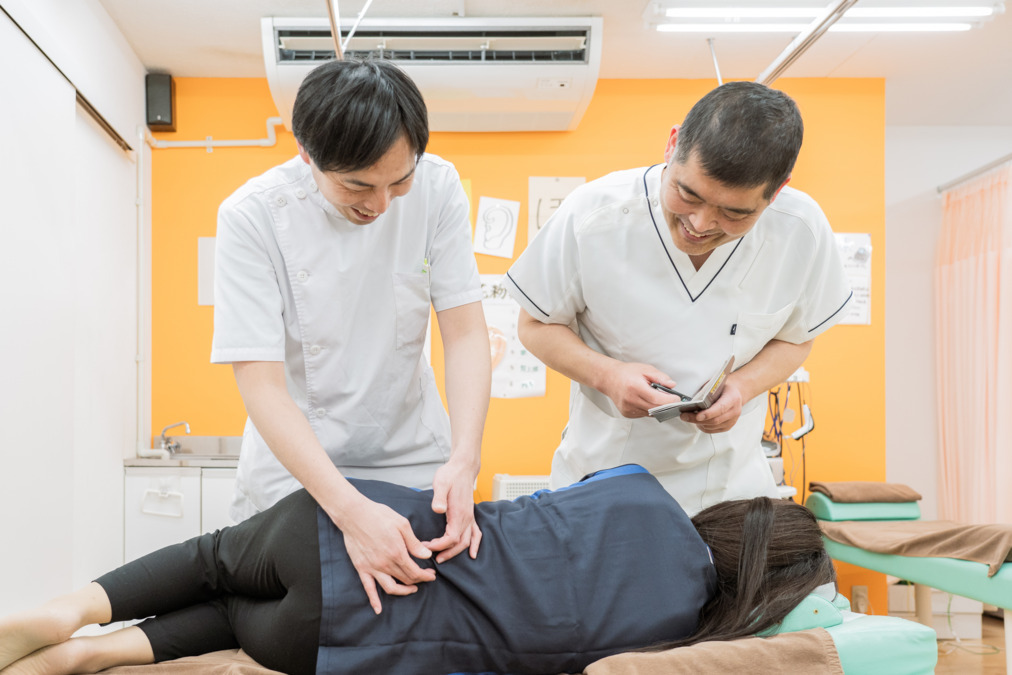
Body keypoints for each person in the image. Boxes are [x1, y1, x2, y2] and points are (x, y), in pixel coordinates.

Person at [0, 466, 834, 675]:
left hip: (354, 520)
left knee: (212, 557)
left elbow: (567, 497)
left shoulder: (642, 490)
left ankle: (74, 610)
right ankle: (97, 656)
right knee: (230, 615)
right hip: (333, 638)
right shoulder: (670, 638)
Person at [210, 58, 491, 613]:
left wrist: (465, 459)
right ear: (306, 153)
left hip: (410, 452)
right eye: (356, 185)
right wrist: (349, 510)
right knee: (290, 614)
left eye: (399, 181)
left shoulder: (439, 187)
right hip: (297, 467)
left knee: (420, 613)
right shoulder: (252, 216)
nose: (380, 204)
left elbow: (464, 334)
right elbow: (261, 383)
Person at [505, 81, 852, 515]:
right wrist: (608, 376)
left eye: (735, 213)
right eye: (688, 194)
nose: (701, 223)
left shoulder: (800, 230)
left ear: (776, 192)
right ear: (672, 145)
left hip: (731, 494)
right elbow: (535, 323)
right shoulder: (594, 215)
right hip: (602, 488)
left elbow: (797, 337)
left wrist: (742, 387)